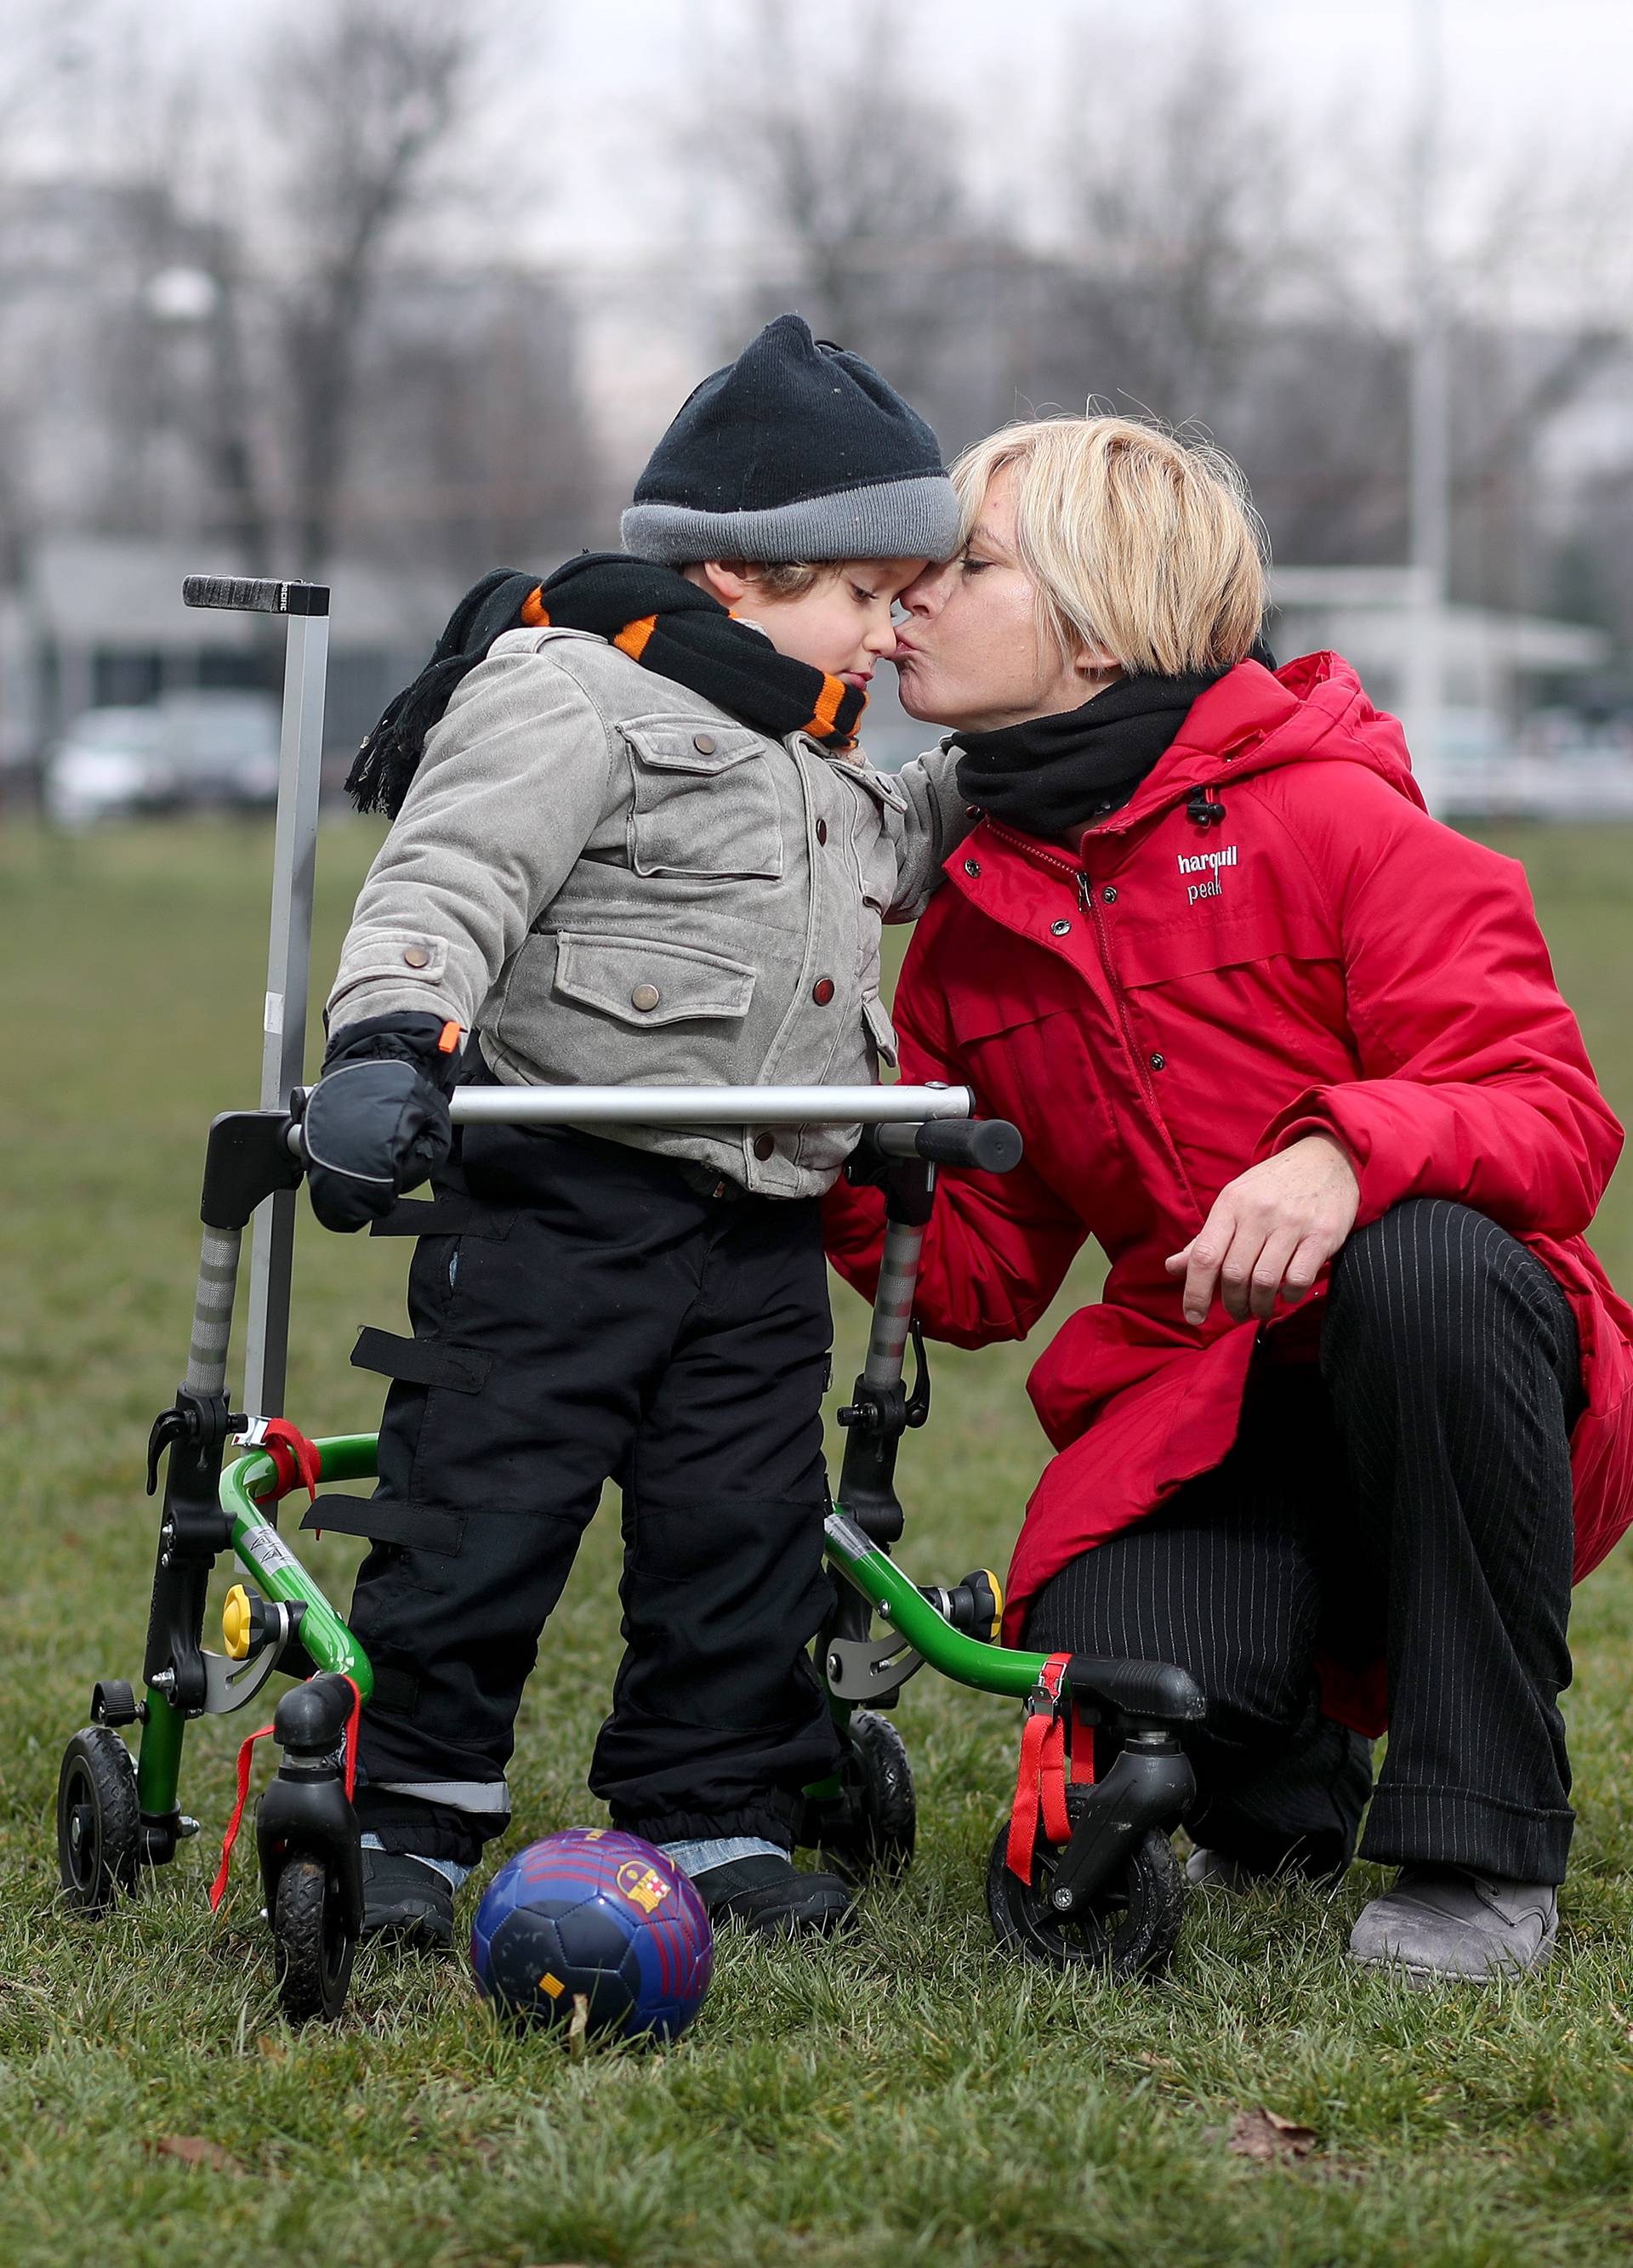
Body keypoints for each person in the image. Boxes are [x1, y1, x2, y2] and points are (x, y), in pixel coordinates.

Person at [825, 412, 1633, 1981]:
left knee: (1427, 1261)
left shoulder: (1341, 820)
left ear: (1097, 615)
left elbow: (1556, 1116)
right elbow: (978, 1280)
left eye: (964, 569)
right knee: (1149, 1725)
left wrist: (1344, 1153)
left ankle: (1481, 1842)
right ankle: (1293, 1764)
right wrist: (818, 1133)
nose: (907, 602)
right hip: (1197, 1410)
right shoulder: (970, 914)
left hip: (1463, 1390)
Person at [300, 314, 968, 1945]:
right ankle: (412, 1808)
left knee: (741, 1530)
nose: (891, 635)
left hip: (757, 1221)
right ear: (743, 570)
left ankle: (717, 1801)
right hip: (556, 1198)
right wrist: (390, 1038)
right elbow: (451, 875)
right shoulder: (574, 693)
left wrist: (1057, 742)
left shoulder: (824, 749)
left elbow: (911, 842)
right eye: (868, 595)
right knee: (477, 1513)